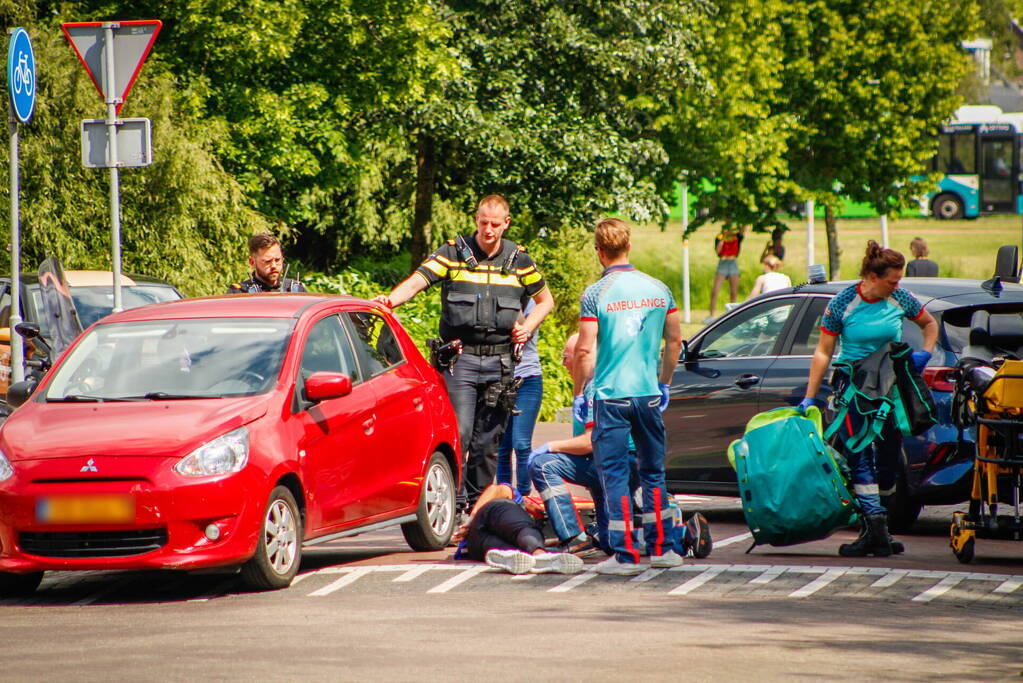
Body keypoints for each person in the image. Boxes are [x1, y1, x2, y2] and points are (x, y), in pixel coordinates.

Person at [374, 195, 554, 513]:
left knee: (489, 442)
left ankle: (478, 508)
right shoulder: (453, 253)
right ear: (476, 220)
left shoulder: (520, 260)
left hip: (501, 363)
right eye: (483, 222)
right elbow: (417, 281)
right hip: (461, 361)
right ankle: (451, 503)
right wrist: (388, 301)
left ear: (506, 224)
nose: (488, 229)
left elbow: (545, 302)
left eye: (495, 224)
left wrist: (527, 327)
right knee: (460, 433)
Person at [799, 240, 937, 558]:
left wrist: (923, 355)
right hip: (854, 387)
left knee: (889, 456)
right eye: (892, 280)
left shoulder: (900, 298)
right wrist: (809, 397)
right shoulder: (843, 302)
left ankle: (880, 527)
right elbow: (823, 350)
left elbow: (929, 325)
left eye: (899, 280)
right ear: (873, 277)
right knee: (859, 453)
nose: (898, 285)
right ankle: (872, 529)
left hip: (890, 386)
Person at [529, 333, 712, 558]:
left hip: (615, 463)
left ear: (581, 356)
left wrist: (550, 446)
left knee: (543, 465)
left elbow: (588, 441)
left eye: (565, 356)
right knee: (609, 541)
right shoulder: (609, 380)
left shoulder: (594, 389)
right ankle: (683, 535)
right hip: (622, 462)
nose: (563, 363)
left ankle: (573, 538)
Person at [573, 218, 684, 576]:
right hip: (647, 393)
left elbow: (584, 350)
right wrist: (664, 382)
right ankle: (664, 547)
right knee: (653, 472)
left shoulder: (595, 294)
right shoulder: (659, 289)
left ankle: (625, 555)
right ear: (629, 247)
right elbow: (674, 341)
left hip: (611, 395)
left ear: (599, 251)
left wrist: (579, 391)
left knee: (616, 475)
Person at [451, 482, 584, 575]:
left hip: (477, 546)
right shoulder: (515, 498)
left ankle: (512, 555)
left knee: (517, 550)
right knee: (521, 527)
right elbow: (496, 489)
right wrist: (470, 520)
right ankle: (540, 556)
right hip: (487, 517)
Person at [495, 300, 543, 497]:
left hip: (528, 379)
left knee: (521, 443)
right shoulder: (496, 296)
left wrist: (510, 303)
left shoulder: (533, 302)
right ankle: (505, 496)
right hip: (499, 379)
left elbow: (523, 332)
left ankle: (524, 495)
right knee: (501, 446)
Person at [227, 233, 306, 293]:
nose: (274, 266)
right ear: (252, 262)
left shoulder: (296, 290)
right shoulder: (240, 292)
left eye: (277, 260)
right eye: (267, 261)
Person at [706, 226, 743, 322]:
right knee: (715, 290)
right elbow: (717, 251)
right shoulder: (720, 236)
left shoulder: (737, 236)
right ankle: (711, 315)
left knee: (733, 291)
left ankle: (732, 314)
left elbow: (743, 230)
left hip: (733, 263)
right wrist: (723, 238)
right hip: (722, 263)